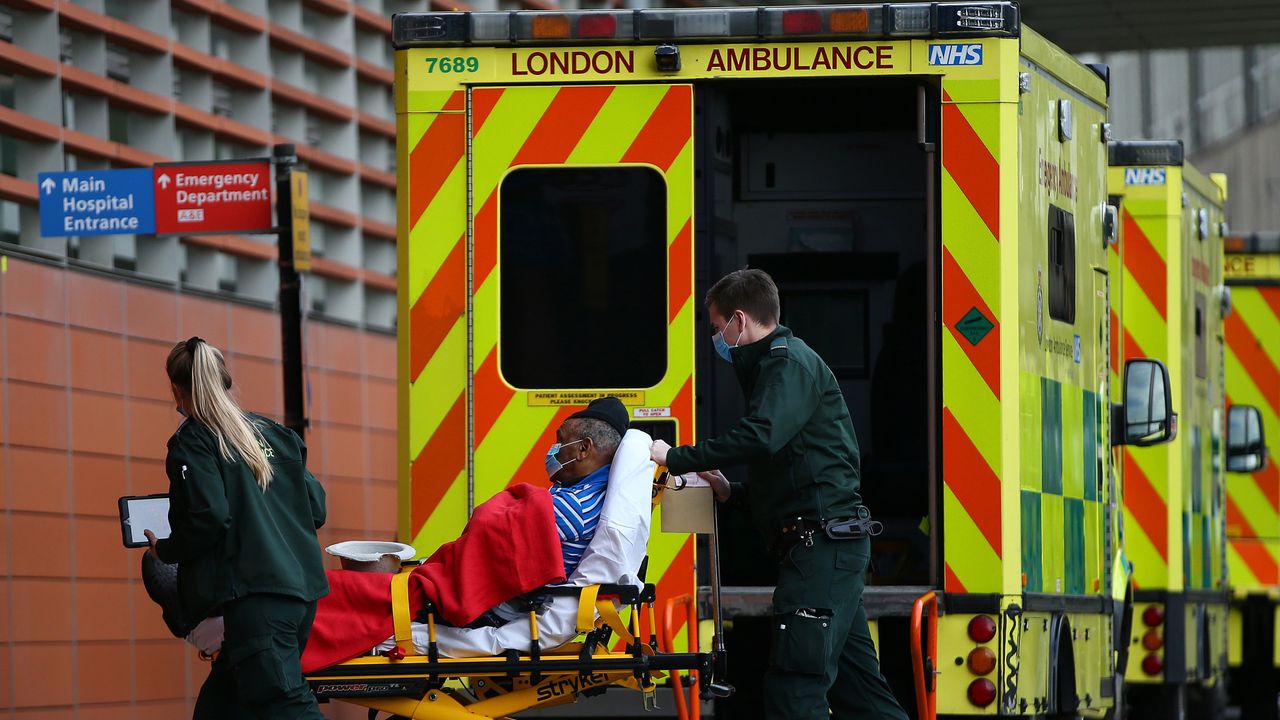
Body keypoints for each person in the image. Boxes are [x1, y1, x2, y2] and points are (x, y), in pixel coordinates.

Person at [649, 269, 907, 720]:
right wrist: (733, 492)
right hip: (827, 547)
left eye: (716, 328)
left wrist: (676, 458)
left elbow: (763, 436)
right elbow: (794, 471)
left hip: (820, 550)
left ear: (739, 321)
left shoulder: (785, 364)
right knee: (861, 696)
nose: (717, 338)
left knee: (795, 689)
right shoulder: (782, 367)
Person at [144, 336, 329, 719]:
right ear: (223, 380)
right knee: (223, 707)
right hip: (301, 596)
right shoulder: (272, 433)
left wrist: (166, 549)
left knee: (287, 705)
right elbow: (315, 506)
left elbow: (210, 516)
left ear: (177, 389)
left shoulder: (194, 441)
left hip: (257, 601)